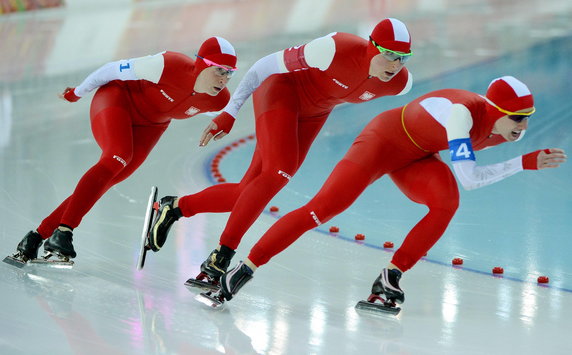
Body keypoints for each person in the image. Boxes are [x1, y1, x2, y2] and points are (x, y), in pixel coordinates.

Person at [214, 76, 567, 305]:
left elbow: (463, 177)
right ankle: (243, 267)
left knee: (446, 203)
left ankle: (390, 277)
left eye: (528, 118)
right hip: (381, 142)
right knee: (321, 209)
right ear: (496, 110)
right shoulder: (463, 116)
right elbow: (471, 177)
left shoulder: (498, 124)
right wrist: (523, 163)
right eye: (518, 119)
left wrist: (523, 157)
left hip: (417, 155)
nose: (523, 127)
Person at [148, 18, 415, 288]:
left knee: (249, 192)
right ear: (372, 46)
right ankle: (220, 259)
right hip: (280, 91)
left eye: (403, 58)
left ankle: (175, 207)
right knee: (278, 172)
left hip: (314, 114)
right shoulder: (333, 49)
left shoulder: (399, 83)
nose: (395, 65)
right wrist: (229, 111)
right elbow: (262, 67)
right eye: (389, 55)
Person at [7, 36, 238, 263]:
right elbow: (112, 69)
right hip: (118, 99)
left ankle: (35, 237)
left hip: (152, 126)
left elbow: (219, 110)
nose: (225, 78)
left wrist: (223, 121)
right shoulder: (168, 65)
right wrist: (77, 93)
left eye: (230, 72)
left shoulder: (218, 100)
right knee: (117, 158)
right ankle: (65, 231)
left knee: (109, 179)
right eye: (220, 70)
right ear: (201, 63)